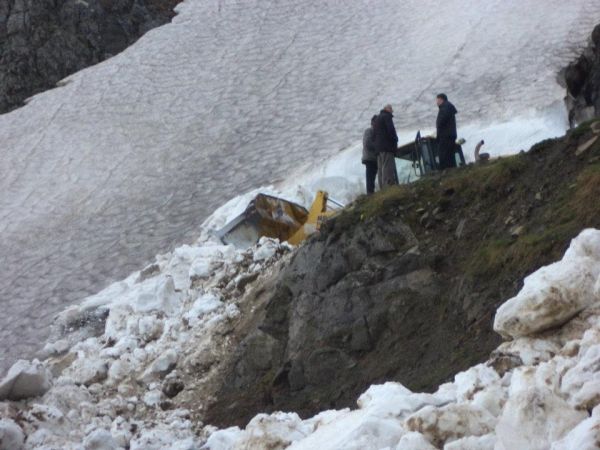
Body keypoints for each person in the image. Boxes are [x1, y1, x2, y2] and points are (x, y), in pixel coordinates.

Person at [374, 104, 399, 187]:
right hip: (387, 146)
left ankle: (382, 187)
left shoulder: (377, 119)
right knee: (387, 167)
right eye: (391, 109)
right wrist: (395, 139)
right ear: (388, 109)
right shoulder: (387, 116)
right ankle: (388, 185)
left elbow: (374, 135)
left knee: (381, 168)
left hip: (379, 149)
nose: (392, 111)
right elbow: (391, 130)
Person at [435, 94, 458, 170]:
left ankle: (446, 172)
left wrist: (439, 125)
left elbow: (442, 120)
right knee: (450, 155)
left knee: (444, 155)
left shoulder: (445, 107)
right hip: (449, 135)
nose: (436, 102)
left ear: (441, 99)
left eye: (437, 100)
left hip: (445, 135)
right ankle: (451, 171)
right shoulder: (447, 107)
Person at [362, 116, 378, 194]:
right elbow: (367, 143)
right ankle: (370, 193)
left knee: (372, 176)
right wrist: (378, 147)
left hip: (372, 158)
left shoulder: (373, 131)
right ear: (373, 123)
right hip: (370, 158)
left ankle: (371, 192)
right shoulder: (369, 131)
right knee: (370, 177)